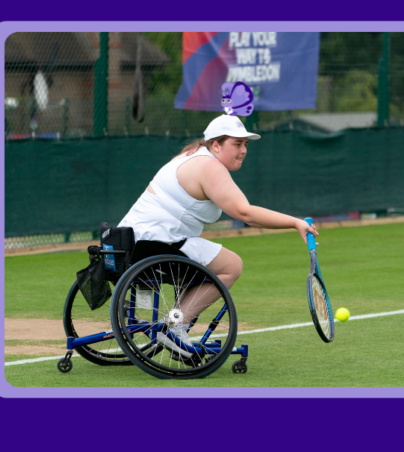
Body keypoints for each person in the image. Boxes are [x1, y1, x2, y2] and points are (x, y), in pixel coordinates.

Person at [118, 114, 319, 358]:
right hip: (154, 244)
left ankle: (175, 328)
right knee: (231, 265)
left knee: (204, 260)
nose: (244, 150)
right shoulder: (209, 166)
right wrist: (294, 222)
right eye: (237, 144)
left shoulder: (191, 155)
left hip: (132, 242)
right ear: (215, 145)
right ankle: (174, 327)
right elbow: (245, 213)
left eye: (246, 144)